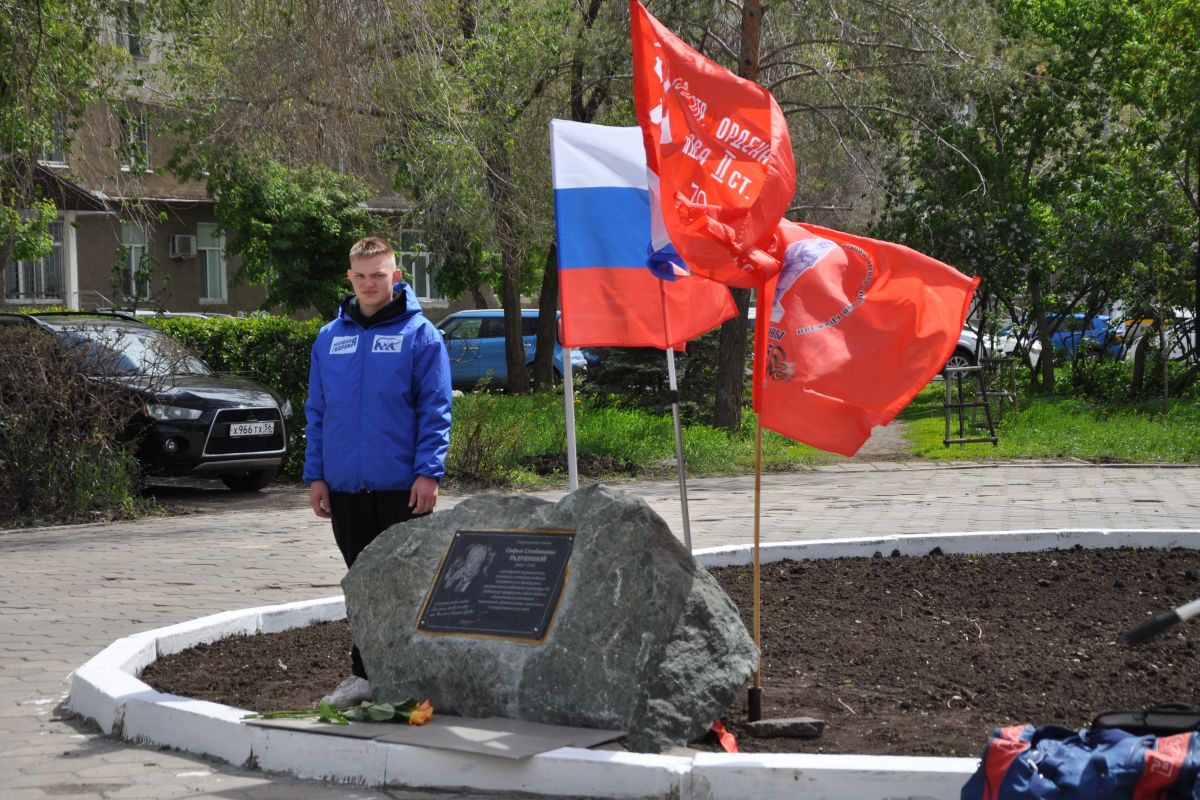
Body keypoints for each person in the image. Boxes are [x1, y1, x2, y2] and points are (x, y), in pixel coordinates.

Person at [303, 236, 453, 706]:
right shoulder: (329, 338)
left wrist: (429, 472)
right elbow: (317, 410)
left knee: (406, 587)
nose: (370, 283)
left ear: (397, 277)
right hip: (345, 488)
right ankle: (364, 677)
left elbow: (435, 408)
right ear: (350, 278)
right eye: (361, 276)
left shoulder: (422, 336)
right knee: (361, 584)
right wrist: (317, 476)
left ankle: (414, 679)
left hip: (403, 489)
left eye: (379, 275)